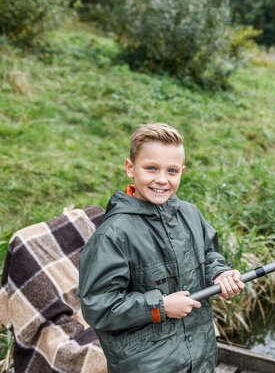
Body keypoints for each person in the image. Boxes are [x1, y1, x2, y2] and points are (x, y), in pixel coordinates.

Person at [79, 122, 245, 373]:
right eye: (151, 168)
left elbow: (210, 254)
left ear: (182, 171)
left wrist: (219, 273)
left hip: (200, 356)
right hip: (147, 365)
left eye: (172, 171)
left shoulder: (190, 214)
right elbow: (99, 307)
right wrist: (160, 307)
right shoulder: (112, 235)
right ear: (130, 168)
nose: (161, 179)